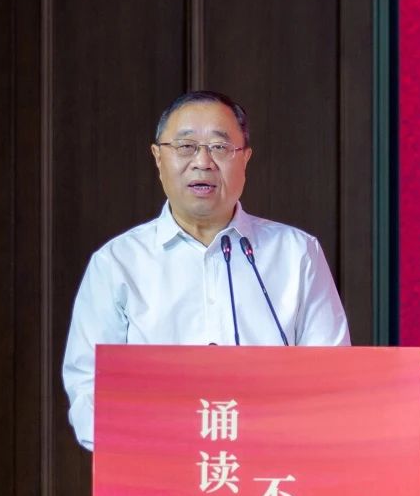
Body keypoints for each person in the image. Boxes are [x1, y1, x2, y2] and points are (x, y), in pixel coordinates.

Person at [62, 91, 350, 450]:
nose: (203, 162)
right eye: (185, 147)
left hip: (272, 467)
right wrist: (148, 448)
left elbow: (332, 376)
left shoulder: (296, 254)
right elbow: (88, 387)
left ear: (244, 159)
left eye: (219, 147)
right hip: (157, 466)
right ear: (158, 158)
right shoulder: (118, 264)